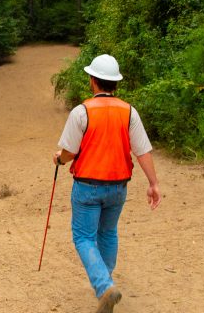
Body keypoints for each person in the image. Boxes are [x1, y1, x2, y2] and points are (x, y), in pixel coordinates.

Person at [52, 54, 161, 313]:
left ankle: (105, 287)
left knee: (83, 237)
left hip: (88, 186)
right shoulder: (129, 112)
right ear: (115, 83)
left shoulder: (82, 112)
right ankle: (106, 284)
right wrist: (153, 183)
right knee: (108, 233)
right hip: (118, 187)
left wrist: (60, 159)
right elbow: (142, 150)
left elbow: (68, 152)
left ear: (93, 81)